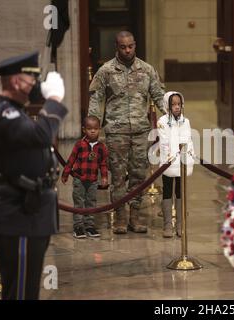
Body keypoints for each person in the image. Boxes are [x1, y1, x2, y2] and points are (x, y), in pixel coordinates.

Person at [0, 51, 67, 299]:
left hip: (28, 216)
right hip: (18, 218)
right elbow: (40, 136)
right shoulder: (5, 115)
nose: (35, 86)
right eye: (32, 80)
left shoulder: (13, 112)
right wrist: (54, 101)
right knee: (20, 294)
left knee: (26, 292)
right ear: (17, 81)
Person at [88, 31, 166, 234]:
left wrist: (171, 116)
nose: (127, 50)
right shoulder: (106, 71)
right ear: (117, 47)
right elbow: (96, 99)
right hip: (116, 131)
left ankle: (136, 215)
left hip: (141, 131)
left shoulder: (147, 70)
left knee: (139, 175)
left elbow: (158, 95)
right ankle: (120, 217)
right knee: (118, 176)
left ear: (135, 45)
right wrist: (92, 126)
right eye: (123, 47)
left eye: (130, 46)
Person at [61, 116, 109, 239]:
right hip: (79, 179)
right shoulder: (80, 145)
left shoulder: (101, 147)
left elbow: (103, 164)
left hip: (93, 180)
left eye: (96, 128)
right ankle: (78, 226)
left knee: (91, 202)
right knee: (79, 203)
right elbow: (71, 160)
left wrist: (104, 177)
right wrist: (65, 174)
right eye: (89, 128)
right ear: (84, 130)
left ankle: (89, 226)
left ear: (99, 129)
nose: (93, 131)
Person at [157, 91, 194, 238]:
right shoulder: (162, 121)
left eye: (179, 104)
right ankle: (167, 224)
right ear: (168, 106)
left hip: (182, 162)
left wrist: (183, 153)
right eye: (173, 104)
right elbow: (165, 141)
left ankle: (180, 224)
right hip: (168, 161)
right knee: (167, 190)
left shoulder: (186, 122)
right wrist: (173, 154)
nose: (177, 107)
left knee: (180, 191)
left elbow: (186, 139)